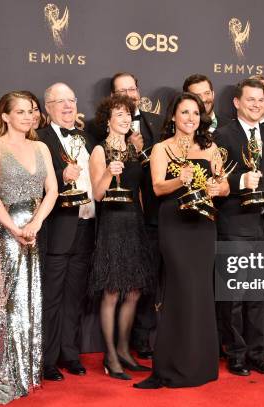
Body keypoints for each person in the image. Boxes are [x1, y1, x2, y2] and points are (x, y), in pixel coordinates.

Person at [134, 92, 229, 389]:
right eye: (185, 112)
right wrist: (181, 179)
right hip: (174, 224)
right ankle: (171, 365)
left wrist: (216, 189)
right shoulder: (161, 148)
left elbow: (224, 185)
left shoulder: (210, 147)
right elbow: (158, 187)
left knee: (200, 291)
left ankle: (200, 365)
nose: (191, 118)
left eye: (196, 113)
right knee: (178, 290)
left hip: (202, 225)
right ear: (173, 116)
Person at [0, 92, 58, 402]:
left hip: (35, 230)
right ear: (6, 116)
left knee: (31, 298)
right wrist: (15, 229)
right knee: (9, 298)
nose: (28, 116)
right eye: (21, 111)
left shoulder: (40, 147)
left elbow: (52, 191)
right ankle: (2, 371)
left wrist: (35, 224)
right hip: (7, 231)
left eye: (32, 111)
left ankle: (24, 372)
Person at [214, 78, 264, 376]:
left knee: (261, 295)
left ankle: (257, 353)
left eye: (261, 99)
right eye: (250, 99)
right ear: (236, 102)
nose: (257, 104)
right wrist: (238, 182)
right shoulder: (222, 136)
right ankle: (235, 353)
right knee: (233, 296)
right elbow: (213, 182)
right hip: (234, 225)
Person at [88, 94, 153, 380]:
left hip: (134, 222)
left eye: (128, 114)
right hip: (112, 224)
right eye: (119, 115)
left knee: (135, 290)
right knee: (113, 291)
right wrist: (107, 173)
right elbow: (98, 194)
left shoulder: (133, 150)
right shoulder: (99, 151)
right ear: (108, 121)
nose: (125, 119)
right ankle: (110, 356)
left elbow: (138, 190)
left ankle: (125, 351)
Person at [38, 83, 95, 381]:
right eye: (60, 101)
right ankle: (47, 360)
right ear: (47, 108)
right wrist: (61, 177)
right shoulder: (41, 139)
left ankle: (70, 354)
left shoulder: (87, 137)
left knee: (75, 296)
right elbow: (33, 184)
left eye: (71, 100)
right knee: (52, 297)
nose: (68, 106)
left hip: (87, 226)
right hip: (59, 228)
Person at [110, 72, 162, 360]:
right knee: (120, 286)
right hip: (121, 216)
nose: (129, 94)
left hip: (154, 216)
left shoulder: (157, 123)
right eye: (122, 91)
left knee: (146, 282)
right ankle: (117, 347)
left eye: (132, 88)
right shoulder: (102, 128)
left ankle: (143, 341)